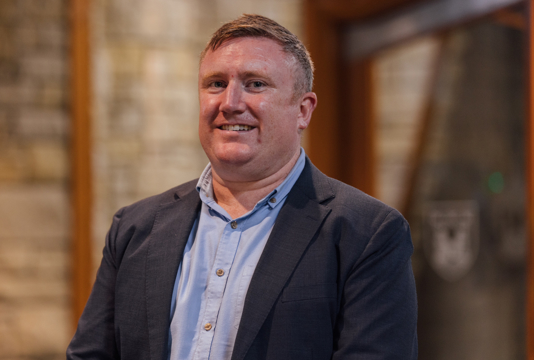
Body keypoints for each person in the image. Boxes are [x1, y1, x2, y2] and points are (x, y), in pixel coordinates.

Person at [67, 14, 417, 360]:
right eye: (216, 83)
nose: (230, 103)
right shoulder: (134, 228)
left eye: (255, 84)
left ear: (303, 111)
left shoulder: (367, 233)